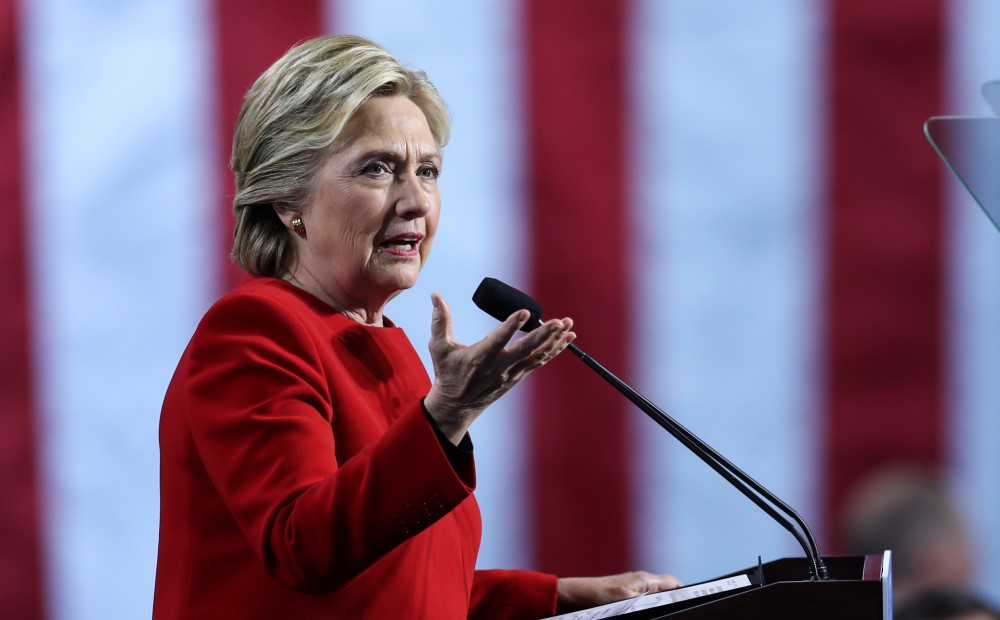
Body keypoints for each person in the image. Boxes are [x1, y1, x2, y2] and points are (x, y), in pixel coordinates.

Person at [152, 34, 680, 619]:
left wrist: (565, 596)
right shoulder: (255, 332)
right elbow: (303, 546)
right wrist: (448, 414)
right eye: (378, 169)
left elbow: (405, 584)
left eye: (427, 171)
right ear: (287, 198)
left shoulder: (391, 353)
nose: (416, 203)